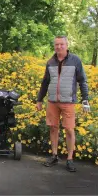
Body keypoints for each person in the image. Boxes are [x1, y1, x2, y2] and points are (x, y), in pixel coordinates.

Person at [36, 36, 91, 172]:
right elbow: (45, 82)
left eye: (61, 44)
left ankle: (70, 159)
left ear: (66, 45)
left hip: (68, 102)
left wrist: (85, 100)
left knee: (69, 130)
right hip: (52, 101)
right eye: (56, 44)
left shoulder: (75, 60)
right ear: (54, 46)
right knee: (53, 128)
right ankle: (54, 155)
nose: (59, 47)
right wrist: (39, 100)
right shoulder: (50, 62)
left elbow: (82, 81)